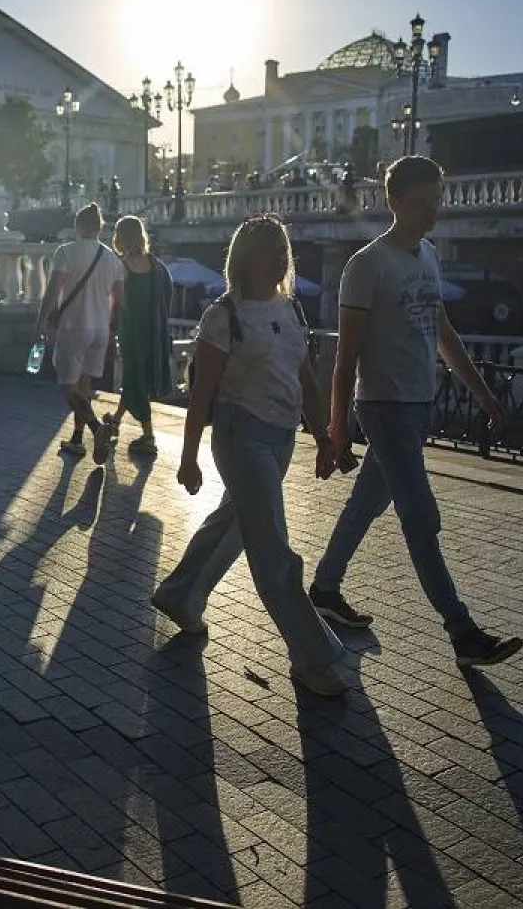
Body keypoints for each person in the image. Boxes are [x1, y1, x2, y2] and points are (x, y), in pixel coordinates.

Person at [311, 156, 523, 670]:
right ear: (395, 201)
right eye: (424, 202)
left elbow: (442, 333)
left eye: (438, 200)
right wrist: (338, 427)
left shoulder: (428, 255)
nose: (434, 212)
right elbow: (347, 357)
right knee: (421, 518)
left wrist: (482, 393)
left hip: (415, 404)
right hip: (383, 406)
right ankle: (463, 633)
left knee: (367, 505)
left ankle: (324, 588)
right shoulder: (367, 265)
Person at [152, 217, 349, 696]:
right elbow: (202, 393)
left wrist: (322, 436)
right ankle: (311, 655)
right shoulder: (225, 315)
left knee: (236, 523)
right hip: (241, 437)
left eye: (282, 249)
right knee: (273, 549)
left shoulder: (290, 309)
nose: (279, 258)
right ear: (245, 258)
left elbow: (304, 379)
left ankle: (181, 595)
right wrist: (189, 455)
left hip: (281, 439)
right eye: (267, 250)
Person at [35, 203, 125, 463]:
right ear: (99, 228)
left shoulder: (66, 252)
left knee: (68, 388)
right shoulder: (112, 259)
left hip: (75, 327)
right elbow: (120, 299)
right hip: (100, 329)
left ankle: (98, 430)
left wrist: (41, 322)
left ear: (79, 226)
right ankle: (76, 439)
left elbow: (52, 291)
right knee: (85, 387)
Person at [102, 215, 173, 459]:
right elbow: (168, 294)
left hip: (131, 331)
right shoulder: (157, 266)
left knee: (135, 380)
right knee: (136, 378)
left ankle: (149, 436)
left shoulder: (121, 266)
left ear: (119, 238)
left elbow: (114, 303)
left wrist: (110, 332)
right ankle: (116, 421)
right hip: (153, 332)